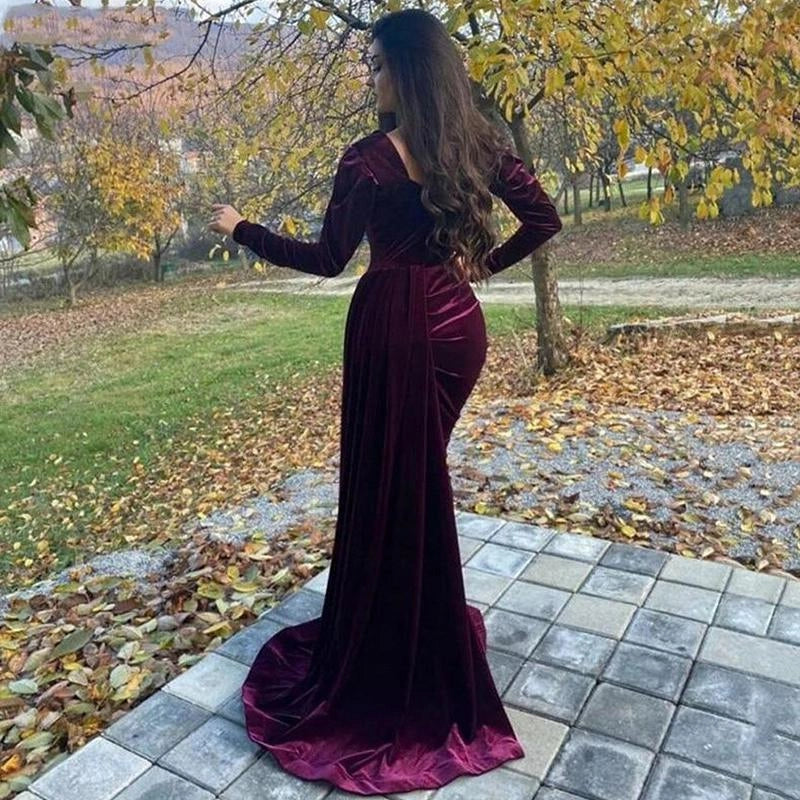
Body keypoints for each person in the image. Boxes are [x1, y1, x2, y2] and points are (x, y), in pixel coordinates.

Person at [206, 8, 562, 796]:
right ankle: (418, 629)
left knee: (393, 490)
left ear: (403, 68)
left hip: (393, 332)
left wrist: (243, 228)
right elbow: (545, 219)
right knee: (416, 487)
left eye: (374, 64)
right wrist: (484, 268)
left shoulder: (369, 159)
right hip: (457, 329)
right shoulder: (480, 143)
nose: (369, 77)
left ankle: (395, 652)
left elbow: (328, 258)